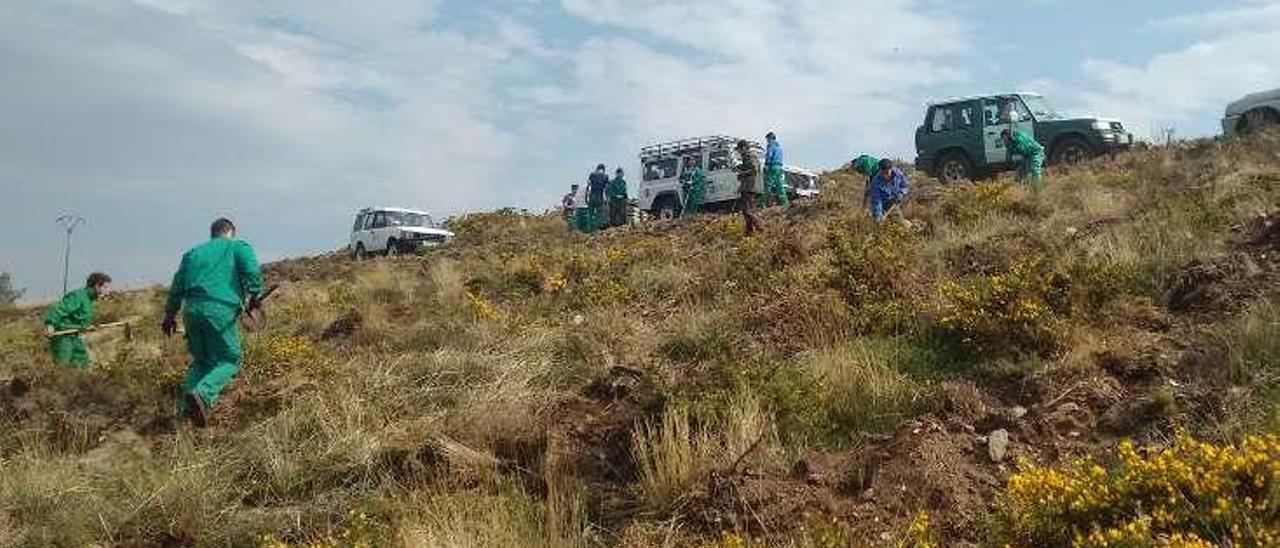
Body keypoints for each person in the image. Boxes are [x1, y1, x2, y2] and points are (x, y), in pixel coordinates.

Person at [162, 218, 264, 427]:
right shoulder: (237, 246)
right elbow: (251, 271)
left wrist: (169, 316)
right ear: (230, 232)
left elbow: (176, 288)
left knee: (202, 360)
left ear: (213, 234)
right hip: (219, 309)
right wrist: (255, 294)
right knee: (230, 358)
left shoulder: (191, 254)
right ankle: (203, 394)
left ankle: (185, 411)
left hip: (190, 311)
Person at [42, 272, 112, 369]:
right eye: (105, 287)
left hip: (76, 337)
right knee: (63, 368)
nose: (107, 291)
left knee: (83, 366)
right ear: (96, 286)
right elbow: (59, 309)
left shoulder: (89, 300)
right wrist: (50, 324)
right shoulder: (78, 296)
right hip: (63, 337)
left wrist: (88, 327)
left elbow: (78, 319)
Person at [735, 140, 762, 234]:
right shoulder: (747, 157)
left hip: (751, 187)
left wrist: (741, 173)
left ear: (744, 148)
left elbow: (754, 170)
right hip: (748, 186)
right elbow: (749, 168)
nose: (738, 152)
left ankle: (760, 228)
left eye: (739, 149)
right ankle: (749, 232)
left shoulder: (750, 156)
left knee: (748, 211)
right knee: (747, 211)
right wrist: (740, 167)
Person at [761, 132, 789, 207]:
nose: (767, 141)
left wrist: (766, 165)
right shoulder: (779, 147)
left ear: (770, 138)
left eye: (767, 139)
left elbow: (769, 156)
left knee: (767, 186)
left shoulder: (771, 145)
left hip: (772, 167)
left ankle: (762, 203)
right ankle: (785, 203)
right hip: (779, 168)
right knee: (780, 186)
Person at [586, 164, 610, 233]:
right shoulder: (605, 176)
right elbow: (606, 188)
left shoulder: (592, 175)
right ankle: (596, 230)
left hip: (592, 196)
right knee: (599, 214)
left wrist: (586, 196)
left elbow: (588, 185)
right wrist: (607, 198)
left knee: (590, 214)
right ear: (603, 169)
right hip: (599, 196)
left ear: (597, 168)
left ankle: (590, 230)